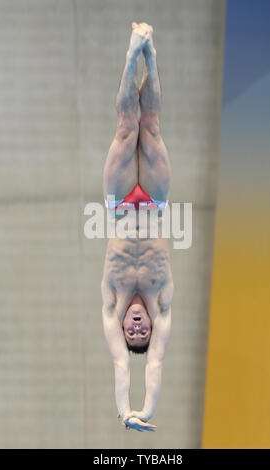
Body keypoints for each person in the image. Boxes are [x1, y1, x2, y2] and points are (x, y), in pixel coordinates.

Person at [101, 22, 173, 432]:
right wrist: (148, 409)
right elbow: (156, 360)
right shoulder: (160, 306)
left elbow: (119, 363)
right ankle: (152, 55)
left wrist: (127, 409)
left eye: (133, 332)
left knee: (127, 128)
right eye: (142, 331)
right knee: (153, 127)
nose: (137, 326)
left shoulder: (113, 306)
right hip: (156, 203)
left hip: (119, 205)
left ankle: (133, 55)